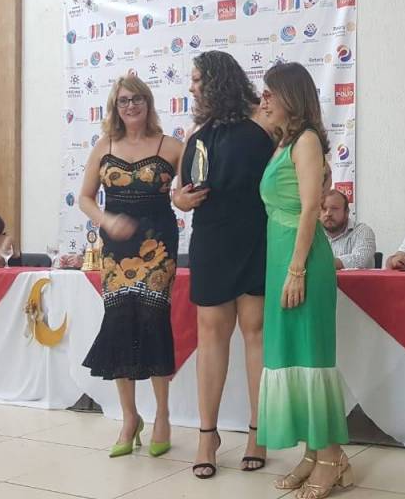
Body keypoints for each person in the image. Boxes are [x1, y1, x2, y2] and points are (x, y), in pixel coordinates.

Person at [172, 50, 274, 478]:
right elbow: (181, 191)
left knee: (256, 332)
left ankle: (258, 430)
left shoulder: (266, 120)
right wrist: (179, 200)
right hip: (211, 240)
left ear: (217, 80)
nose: (191, 87)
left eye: (197, 79)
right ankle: (207, 435)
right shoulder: (198, 132)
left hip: (257, 236)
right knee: (212, 335)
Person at [257, 62, 353, 499]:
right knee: (292, 356)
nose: (263, 101)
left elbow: (312, 206)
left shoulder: (307, 140)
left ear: (290, 98)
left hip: (303, 261)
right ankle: (314, 452)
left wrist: (297, 270)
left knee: (311, 357)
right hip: (281, 258)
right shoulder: (284, 142)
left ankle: (331, 456)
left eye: (270, 94)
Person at [77, 74, 184, 458]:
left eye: (138, 99)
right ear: (115, 107)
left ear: (148, 103)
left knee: (154, 321)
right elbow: (85, 198)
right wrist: (106, 221)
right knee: (119, 322)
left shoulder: (171, 146)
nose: (131, 105)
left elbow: (188, 191)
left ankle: (163, 417)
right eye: (124, 100)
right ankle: (129, 418)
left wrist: (185, 197)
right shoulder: (104, 145)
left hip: (158, 245)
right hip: (116, 248)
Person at [320, 189, 376, 269]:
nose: (328, 213)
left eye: (334, 208)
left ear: (346, 212)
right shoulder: (314, 234)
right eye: (324, 209)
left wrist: (322, 263)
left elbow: (360, 260)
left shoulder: (362, 231)